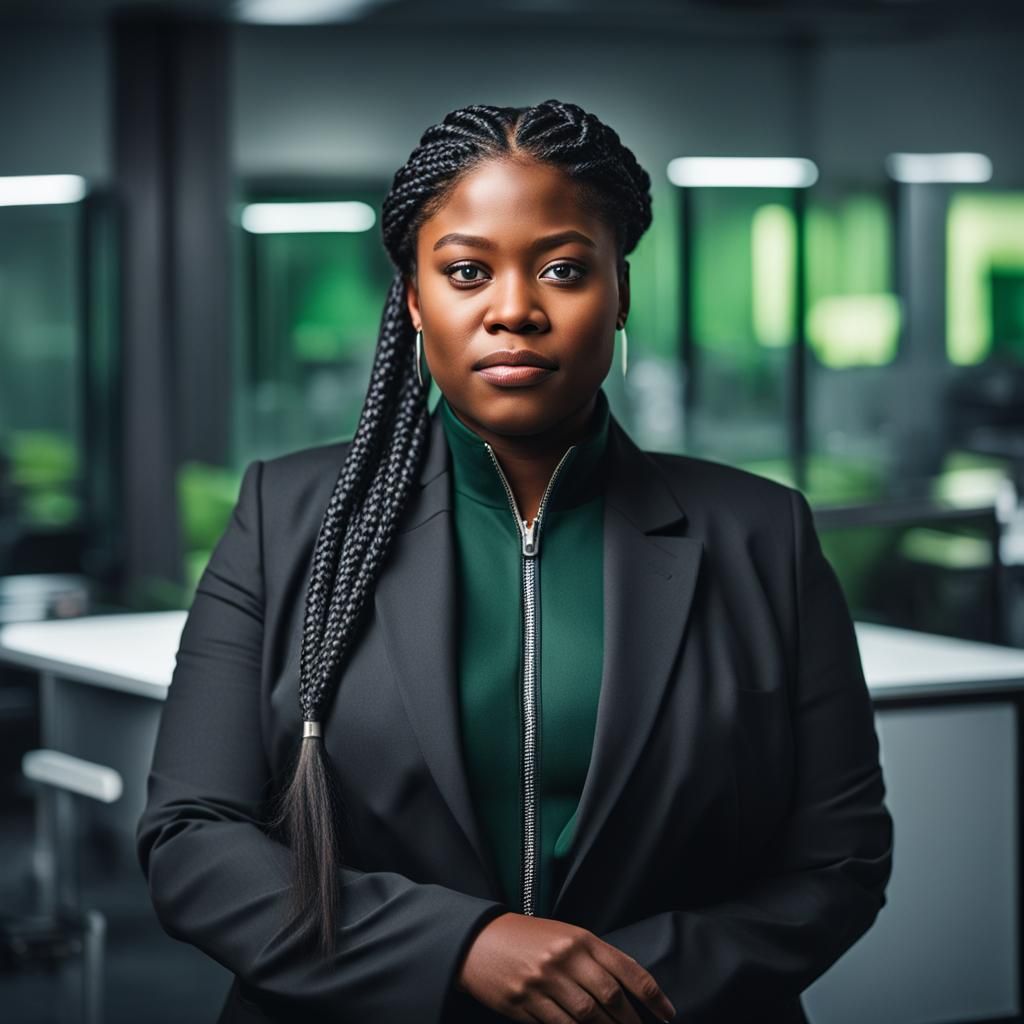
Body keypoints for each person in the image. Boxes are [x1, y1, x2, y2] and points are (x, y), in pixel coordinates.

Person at [136, 99, 893, 1024]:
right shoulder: (284, 518)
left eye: (564, 270)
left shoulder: (762, 534)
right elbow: (193, 840)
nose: (514, 310)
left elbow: (838, 862)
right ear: (415, 298)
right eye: (465, 271)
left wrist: (612, 992)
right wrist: (463, 949)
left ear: (621, 292)